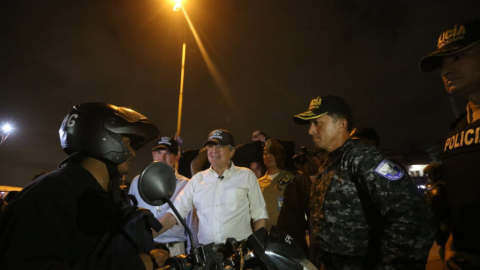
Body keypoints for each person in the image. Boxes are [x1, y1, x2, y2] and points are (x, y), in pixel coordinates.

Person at [0, 103, 169, 270]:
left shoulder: (104, 196)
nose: (132, 152)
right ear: (105, 140)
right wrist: (134, 265)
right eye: (127, 142)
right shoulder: (49, 195)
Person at [293, 95, 435, 270]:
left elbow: (413, 216)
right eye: (310, 124)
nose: (311, 130)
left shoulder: (363, 158)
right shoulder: (329, 164)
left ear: (341, 124)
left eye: (317, 123)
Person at [419, 19, 480, 270]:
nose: (445, 71)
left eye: (458, 57)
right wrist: (454, 241)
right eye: (443, 64)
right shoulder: (456, 130)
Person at [156, 129, 268, 246]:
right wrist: (149, 235)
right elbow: (174, 214)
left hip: (239, 252)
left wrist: (257, 246)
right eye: (210, 146)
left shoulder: (246, 175)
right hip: (208, 255)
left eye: (220, 146)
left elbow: (259, 215)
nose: (214, 151)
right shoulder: (197, 180)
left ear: (232, 151)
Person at [128, 137, 192, 256]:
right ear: (153, 154)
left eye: (168, 153)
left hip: (175, 250)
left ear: (177, 157)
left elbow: (191, 224)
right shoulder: (137, 181)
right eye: (158, 152)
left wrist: (191, 253)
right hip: (146, 249)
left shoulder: (186, 184)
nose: (161, 158)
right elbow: (131, 216)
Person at [257, 138, 311, 256]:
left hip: (292, 242)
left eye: (273, 153)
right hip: (267, 244)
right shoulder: (258, 184)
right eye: (265, 153)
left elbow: (310, 209)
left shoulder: (296, 178)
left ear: (282, 155)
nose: (269, 156)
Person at [423, 163, 451, 261]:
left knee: (446, 250)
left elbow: (436, 207)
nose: (429, 177)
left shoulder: (439, 188)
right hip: (444, 224)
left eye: (430, 174)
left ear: (438, 174)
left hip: (444, 224)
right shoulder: (447, 184)